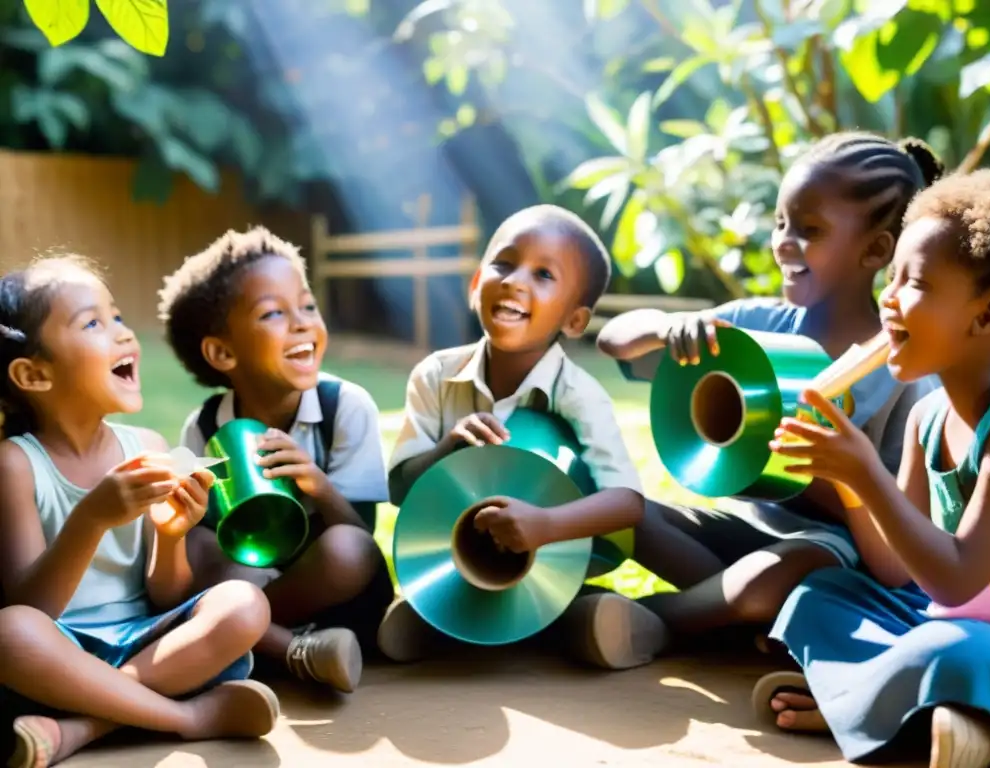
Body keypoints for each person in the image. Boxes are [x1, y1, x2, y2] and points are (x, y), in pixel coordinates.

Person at [594, 132, 943, 668]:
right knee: (629, 514)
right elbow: (613, 340)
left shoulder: (901, 374)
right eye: (781, 223)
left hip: (830, 554)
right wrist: (666, 327)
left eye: (809, 231)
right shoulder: (755, 325)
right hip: (743, 532)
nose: (783, 243)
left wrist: (828, 470)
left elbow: (896, 536)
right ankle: (728, 621)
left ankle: (658, 617)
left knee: (781, 572)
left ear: (876, 251)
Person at [756, 170, 990, 768]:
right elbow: (894, 568)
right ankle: (926, 714)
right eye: (892, 275)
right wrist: (852, 480)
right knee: (816, 596)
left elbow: (955, 578)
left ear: (988, 317)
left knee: (952, 650)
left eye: (916, 282)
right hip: (949, 619)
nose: (889, 296)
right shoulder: (929, 416)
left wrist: (867, 474)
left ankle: (894, 709)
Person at [0, 256, 278, 768]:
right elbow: (33, 609)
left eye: (119, 317)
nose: (124, 335)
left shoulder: (145, 445)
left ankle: (82, 726)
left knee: (244, 604)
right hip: (59, 654)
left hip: (145, 642)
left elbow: (166, 596)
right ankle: (189, 718)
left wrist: (170, 536)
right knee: (9, 632)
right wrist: (91, 518)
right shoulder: (16, 465)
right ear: (33, 374)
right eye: (93, 323)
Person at [381, 204, 648, 664]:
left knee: (587, 621)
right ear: (475, 285)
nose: (515, 280)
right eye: (503, 264)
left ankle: (578, 617)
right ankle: (480, 618)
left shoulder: (580, 395)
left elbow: (628, 502)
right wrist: (449, 447)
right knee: (398, 634)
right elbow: (400, 488)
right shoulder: (435, 376)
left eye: (543, 274)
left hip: (554, 560)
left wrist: (544, 528)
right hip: (460, 558)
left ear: (575, 321)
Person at [158, 227, 392, 694]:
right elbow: (205, 552)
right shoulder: (204, 427)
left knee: (349, 549)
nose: (303, 322)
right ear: (223, 352)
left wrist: (318, 485)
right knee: (199, 547)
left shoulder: (344, 406)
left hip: (328, 589)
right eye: (273, 313)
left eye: (307, 305)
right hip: (250, 575)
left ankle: (241, 639)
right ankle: (290, 649)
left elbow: (362, 538)